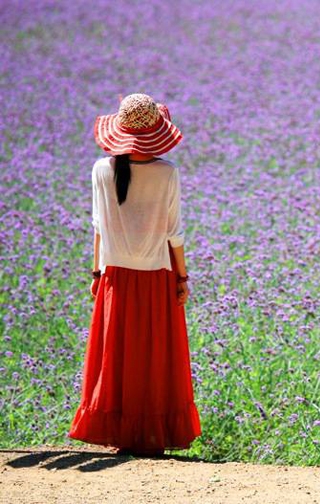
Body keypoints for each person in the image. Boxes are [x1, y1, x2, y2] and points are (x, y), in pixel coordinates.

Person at [67, 93, 202, 457]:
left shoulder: (100, 170)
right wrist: (183, 278)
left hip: (114, 277)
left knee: (117, 353)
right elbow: (174, 233)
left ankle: (120, 434)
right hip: (156, 275)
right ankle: (151, 437)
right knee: (154, 355)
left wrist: (97, 273)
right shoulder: (167, 173)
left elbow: (98, 227)